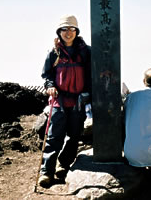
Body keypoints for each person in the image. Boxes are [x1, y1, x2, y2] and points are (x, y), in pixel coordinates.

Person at [38, 14, 91, 187]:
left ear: (77, 31)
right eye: (64, 29)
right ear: (59, 32)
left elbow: (91, 74)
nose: (68, 32)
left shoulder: (85, 52)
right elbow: (47, 75)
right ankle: (47, 172)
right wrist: (50, 86)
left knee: (74, 136)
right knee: (54, 136)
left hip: (78, 101)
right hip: (59, 100)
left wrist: (88, 93)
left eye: (71, 29)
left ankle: (64, 165)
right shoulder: (54, 53)